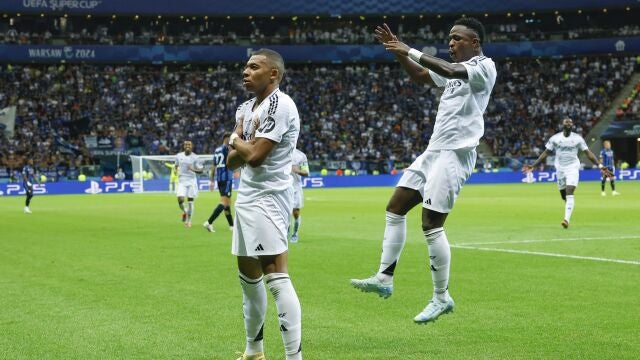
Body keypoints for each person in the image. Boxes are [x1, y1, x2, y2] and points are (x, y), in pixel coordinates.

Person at [350, 18, 497, 324]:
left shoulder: (484, 66)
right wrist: (398, 51)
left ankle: (442, 298)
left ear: (475, 42)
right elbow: (420, 75)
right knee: (395, 207)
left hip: (455, 154)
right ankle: (384, 278)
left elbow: (450, 69)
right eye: (449, 39)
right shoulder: (454, 73)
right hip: (433, 152)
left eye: (457, 38)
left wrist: (410, 48)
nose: (451, 43)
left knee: (431, 224)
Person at [227, 48, 301, 360]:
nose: (245, 72)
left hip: (269, 198)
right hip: (246, 198)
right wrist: (240, 144)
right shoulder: (246, 107)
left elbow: (255, 158)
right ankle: (254, 352)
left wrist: (235, 140)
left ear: (273, 74)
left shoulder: (279, 104)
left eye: (254, 67)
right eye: (245, 66)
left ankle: (293, 357)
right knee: (248, 278)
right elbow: (232, 162)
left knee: (275, 276)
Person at [522, 118, 612, 228]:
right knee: (563, 195)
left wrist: (600, 166)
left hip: (572, 168)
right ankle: (568, 206)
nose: (569, 123)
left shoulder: (578, 139)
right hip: (560, 169)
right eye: (566, 122)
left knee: (570, 191)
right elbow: (546, 152)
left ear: (572, 125)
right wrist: (534, 165)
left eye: (570, 122)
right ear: (563, 125)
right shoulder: (555, 139)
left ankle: (566, 220)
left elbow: (588, 153)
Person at [203, 133, 235, 233]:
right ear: (226, 139)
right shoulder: (227, 148)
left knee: (227, 203)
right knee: (224, 202)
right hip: (227, 179)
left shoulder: (217, 150)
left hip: (219, 179)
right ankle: (209, 222)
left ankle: (232, 226)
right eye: (230, 139)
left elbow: (213, 166)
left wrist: (212, 180)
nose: (231, 141)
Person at [174, 140, 203, 227]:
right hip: (182, 180)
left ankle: (189, 221)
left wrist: (192, 169)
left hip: (191, 181)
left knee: (190, 201)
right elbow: (176, 165)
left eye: (189, 145)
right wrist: (175, 170)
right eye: (186, 144)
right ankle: (185, 211)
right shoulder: (179, 156)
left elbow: (201, 170)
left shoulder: (196, 157)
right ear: (183, 146)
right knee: (180, 199)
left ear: (192, 146)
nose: (187, 146)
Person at [289, 147, 309, 243]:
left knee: (295, 213)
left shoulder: (300, 155)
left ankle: (294, 234)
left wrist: (297, 171)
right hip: (282, 187)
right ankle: (284, 233)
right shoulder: (278, 151)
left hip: (295, 188)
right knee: (283, 214)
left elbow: (306, 172)